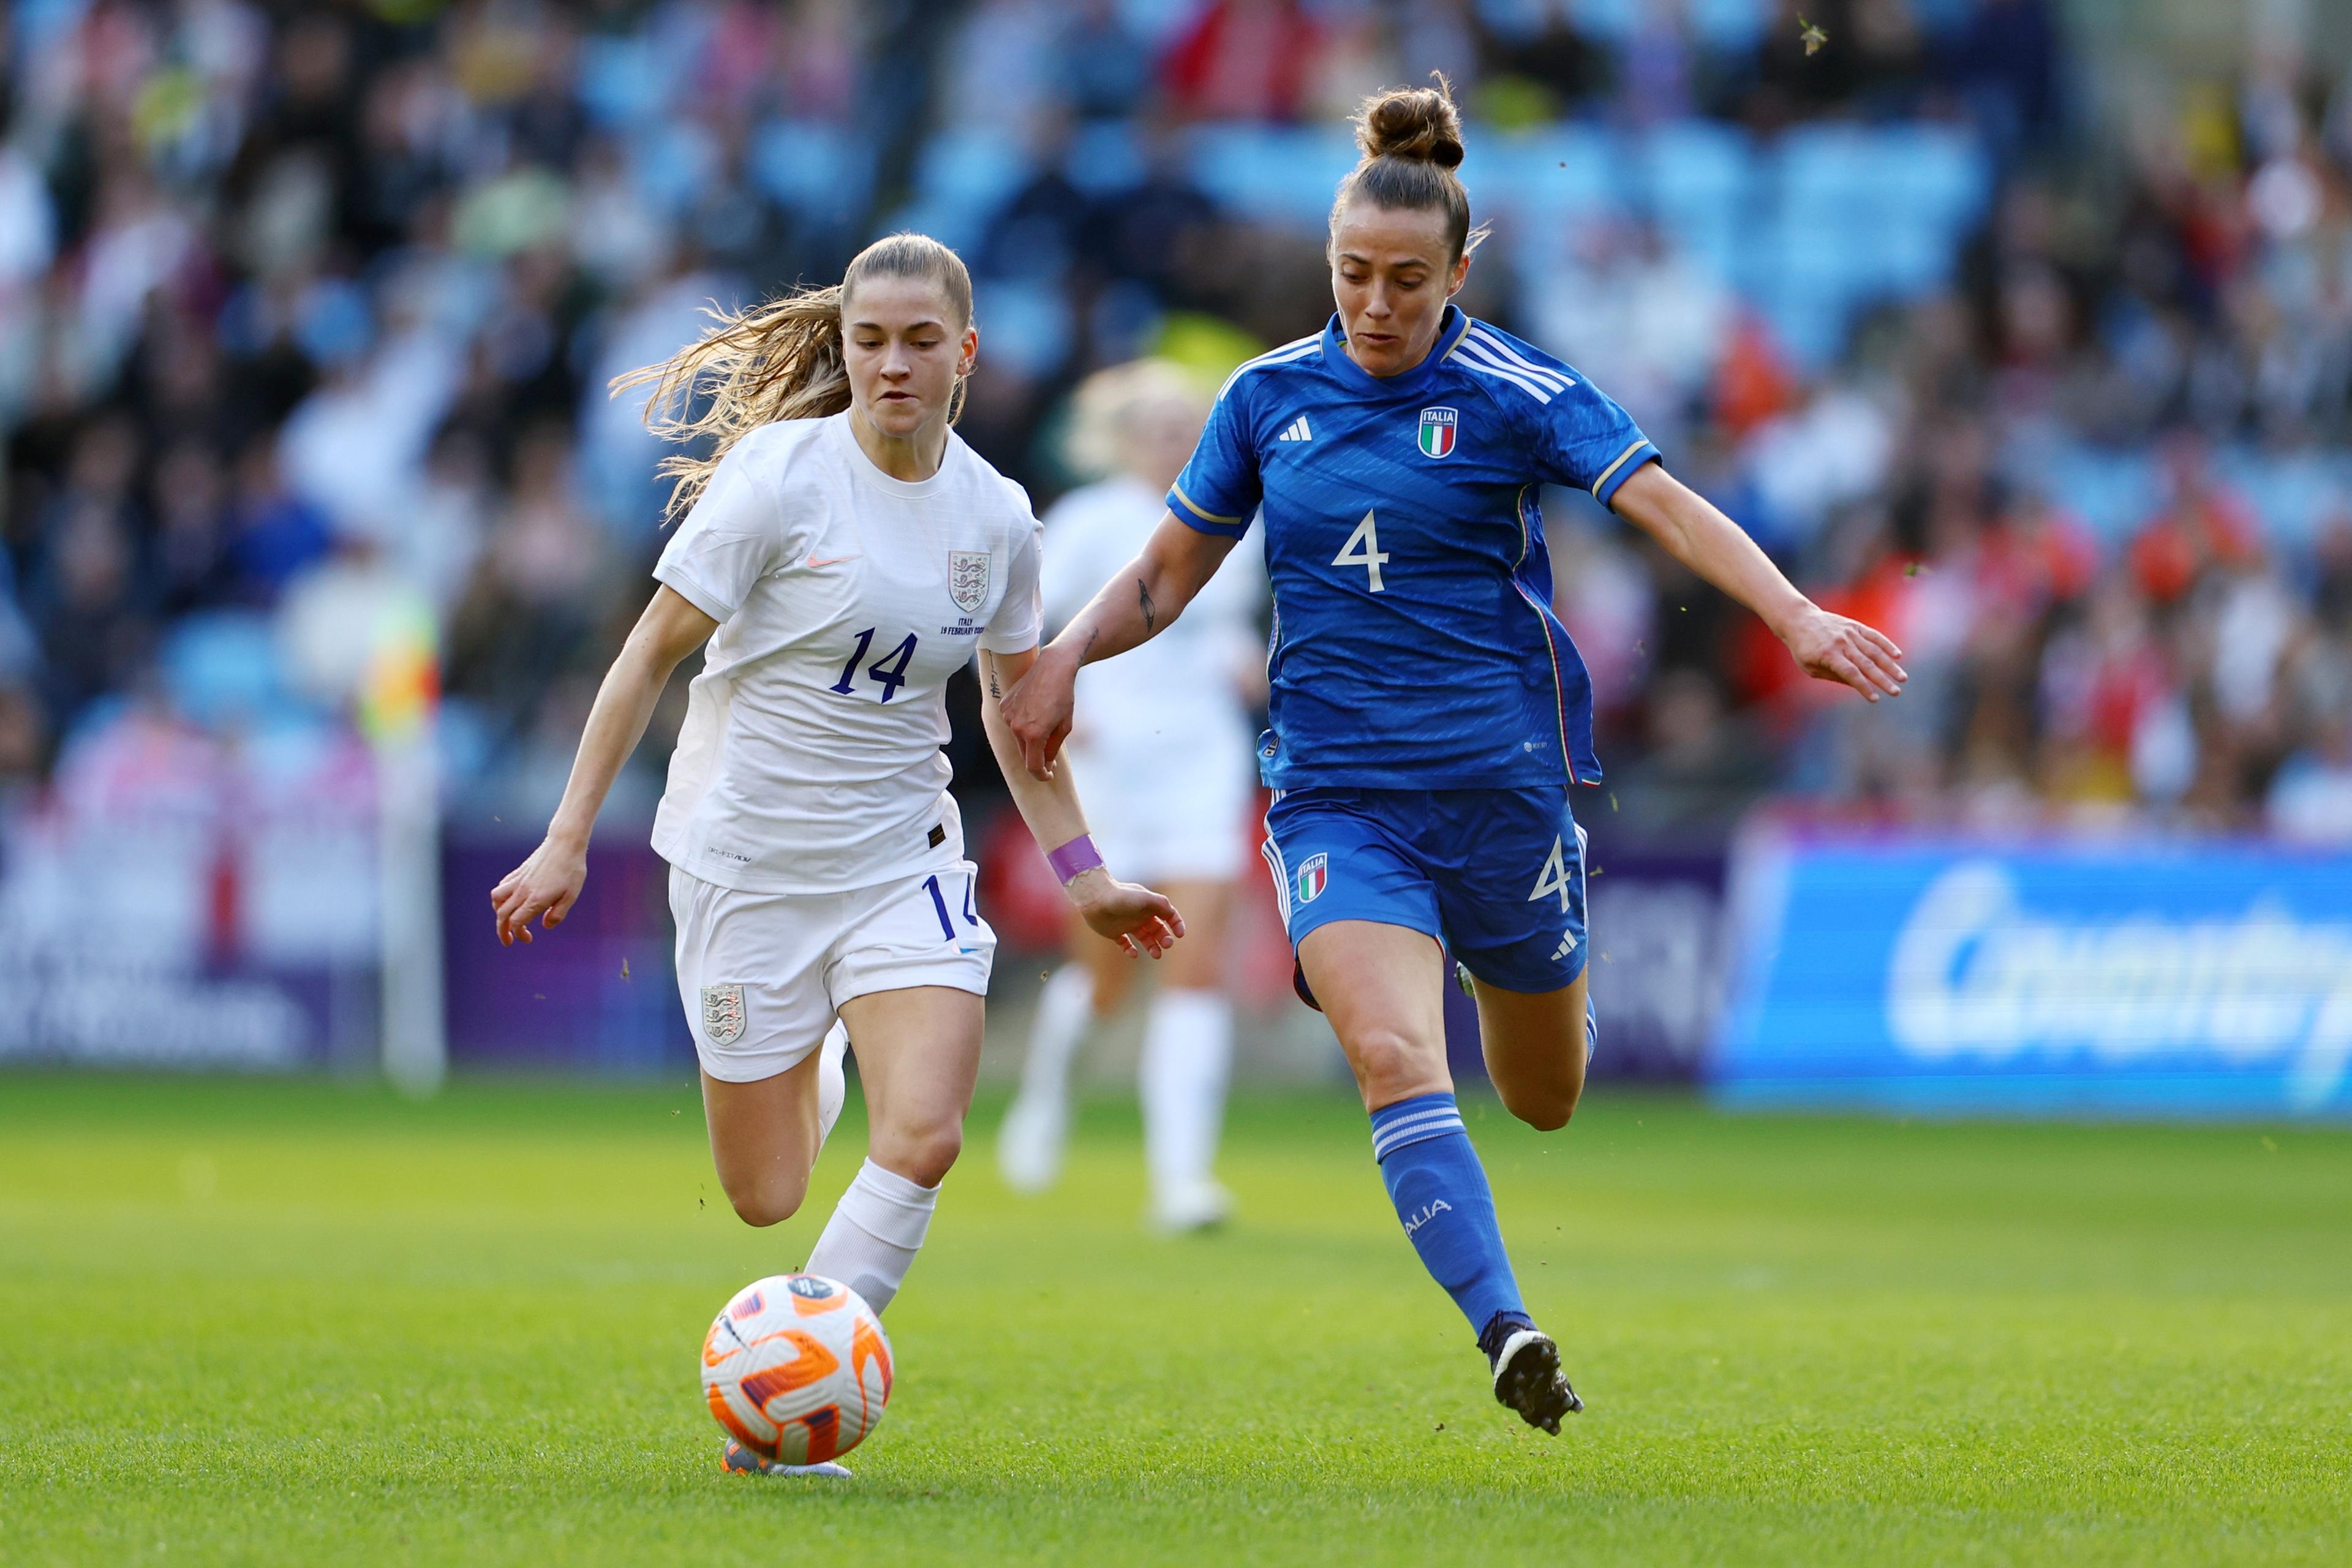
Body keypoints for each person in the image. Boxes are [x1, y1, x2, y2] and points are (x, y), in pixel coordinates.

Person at [1000, 80, 1905, 1433]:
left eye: (1406, 281)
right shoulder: (1264, 400)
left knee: (1543, 1096)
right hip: (1337, 799)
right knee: (1389, 1050)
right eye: (1352, 274)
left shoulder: (1516, 390)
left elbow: (1664, 504)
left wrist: (1795, 615)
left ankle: (1531, 973)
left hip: (1501, 794)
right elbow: (1165, 574)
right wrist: (1068, 654)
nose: (1375, 304)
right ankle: (1507, 1326)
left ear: (1458, 273)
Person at [489, 233, 1183, 1477]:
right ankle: (814, 1062)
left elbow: (1015, 718)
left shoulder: (996, 517)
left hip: (901, 858)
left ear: (966, 353)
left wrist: (1086, 876)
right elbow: (647, 655)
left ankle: (786, 1408)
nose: (893, 364)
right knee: (765, 1194)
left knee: (925, 1134)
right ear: (847, 348)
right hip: (746, 865)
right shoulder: (778, 480)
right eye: (871, 341)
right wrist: (564, 838)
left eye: (921, 341)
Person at [996, 360, 1267, 1231]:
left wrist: (1244, 664)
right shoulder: (1086, 522)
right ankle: (1049, 1095)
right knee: (1104, 978)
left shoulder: (1237, 523)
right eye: (1156, 428)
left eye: (1187, 428)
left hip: (1202, 760)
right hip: (1113, 766)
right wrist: (1064, 710)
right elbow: (1028, 636)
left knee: (1197, 967)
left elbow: (1225, 629)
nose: (1172, 443)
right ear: (1122, 438)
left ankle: (1182, 1179)